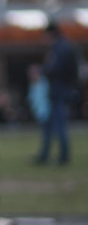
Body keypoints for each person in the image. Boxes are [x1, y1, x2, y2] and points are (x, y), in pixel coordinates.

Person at [34, 21, 79, 165]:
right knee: (53, 124)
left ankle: (62, 156)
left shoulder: (60, 48)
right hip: (61, 90)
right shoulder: (65, 46)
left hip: (58, 91)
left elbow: (55, 69)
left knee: (58, 124)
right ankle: (46, 155)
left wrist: (42, 70)